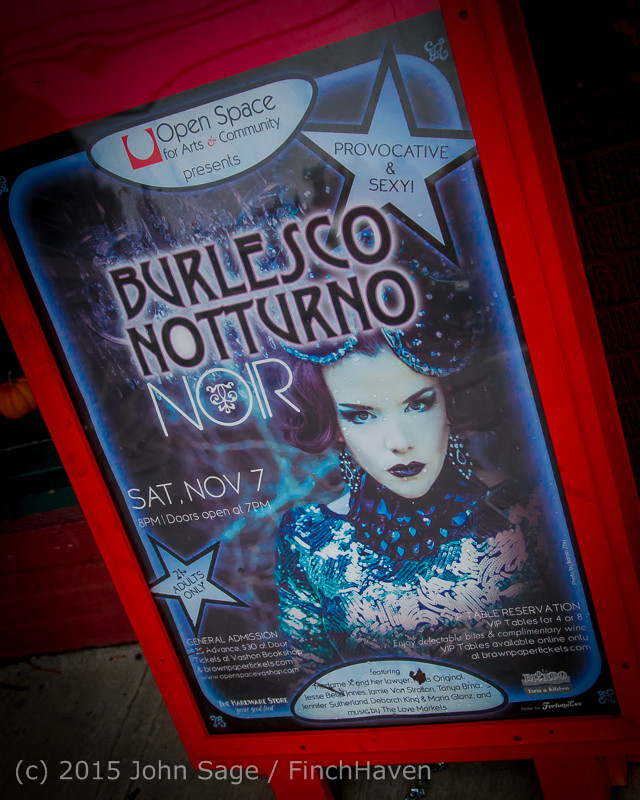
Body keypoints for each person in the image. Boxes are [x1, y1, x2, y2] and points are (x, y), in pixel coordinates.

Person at [274, 285, 539, 679]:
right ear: (336, 425)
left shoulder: (527, 507)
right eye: (361, 415)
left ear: (448, 401)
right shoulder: (307, 538)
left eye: (418, 404)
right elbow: (309, 681)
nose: (398, 442)